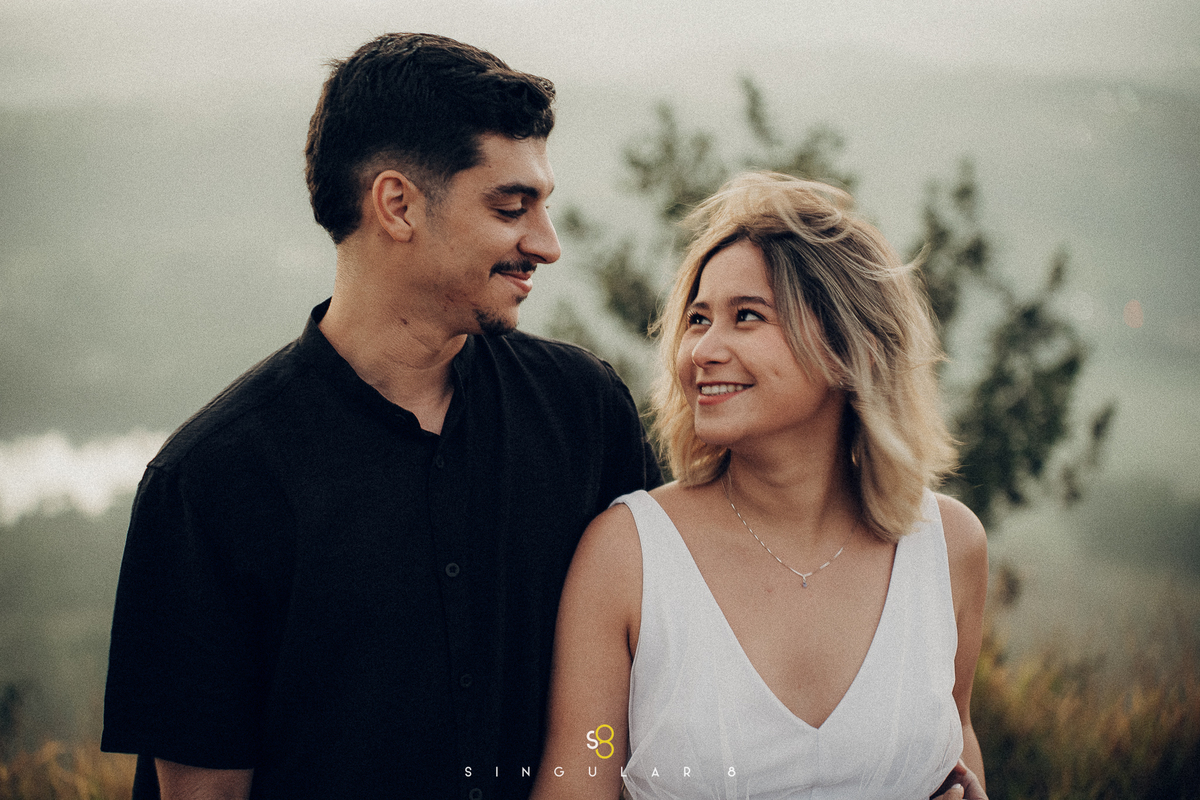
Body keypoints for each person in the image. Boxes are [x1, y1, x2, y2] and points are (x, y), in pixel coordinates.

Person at [101, 33, 661, 799]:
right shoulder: (211, 482)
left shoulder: (584, 413)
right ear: (397, 204)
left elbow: (649, 683)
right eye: (511, 206)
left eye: (543, 205)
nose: (547, 244)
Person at [530, 172, 989, 800]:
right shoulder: (627, 556)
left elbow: (958, 736)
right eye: (697, 319)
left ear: (844, 346)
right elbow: (577, 779)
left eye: (747, 316)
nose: (702, 350)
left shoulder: (948, 546)